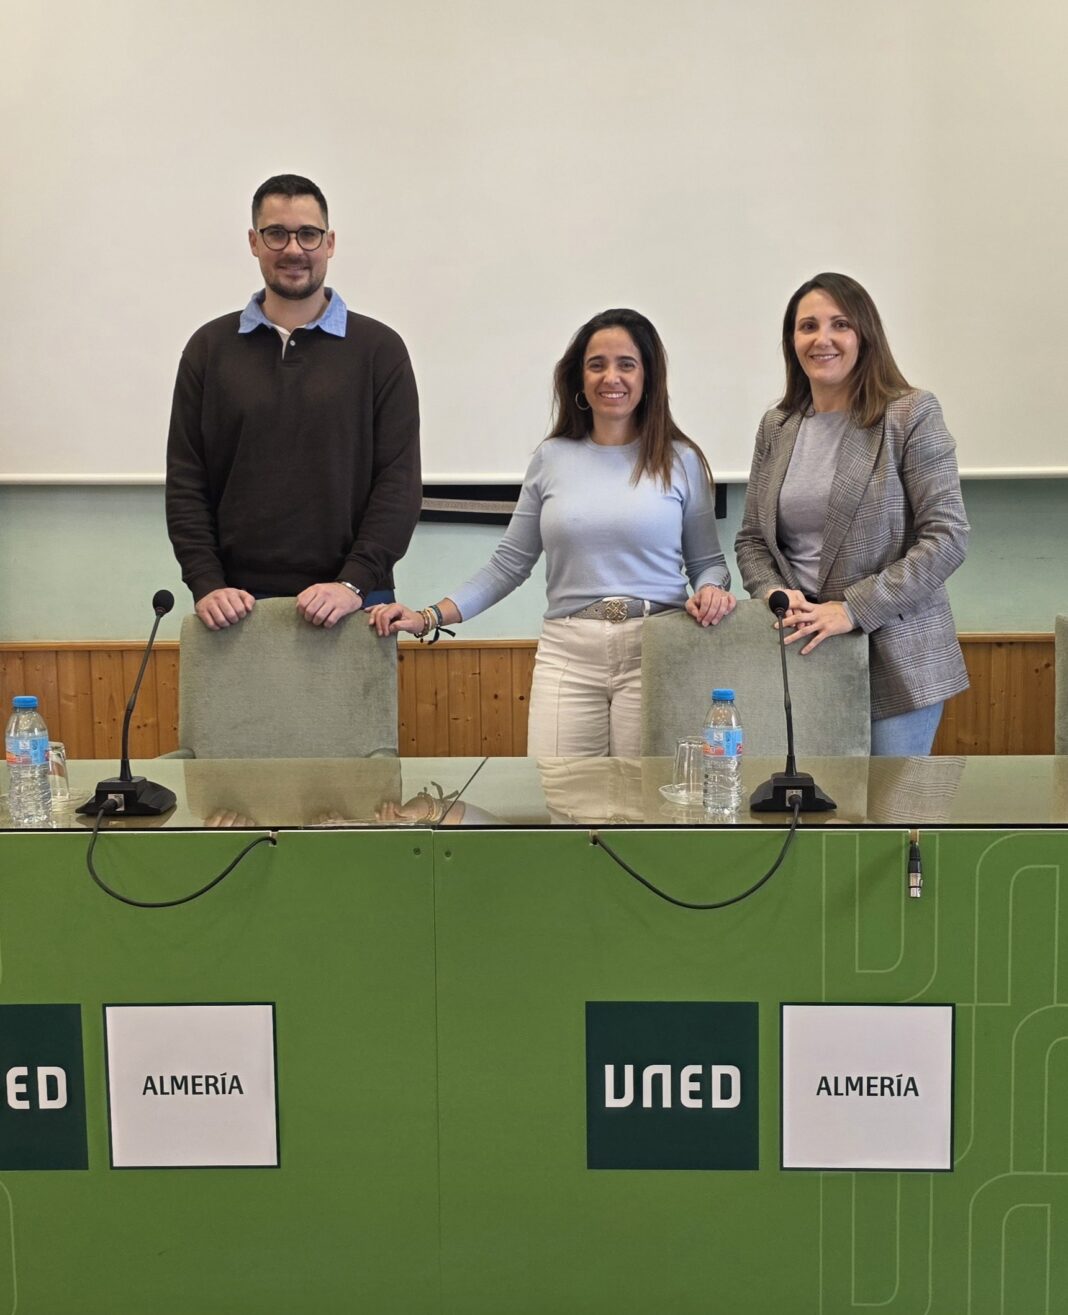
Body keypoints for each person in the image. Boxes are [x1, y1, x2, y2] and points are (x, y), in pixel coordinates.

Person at [368, 308, 735, 757]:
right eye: (596, 364)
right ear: (579, 378)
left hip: (657, 647)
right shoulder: (551, 458)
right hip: (569, 655)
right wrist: (429, 616)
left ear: (649, 377)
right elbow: (508, 565)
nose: (611, 377)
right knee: (561, 792)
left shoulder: (681, 460)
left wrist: (712, 590)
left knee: (643, 797)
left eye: (626, 364)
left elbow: (708, 564)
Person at [166, 174, 421, 630]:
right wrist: (206, 583)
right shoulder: (208, 349)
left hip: (356, 601)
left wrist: (353, 582)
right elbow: (187, 480)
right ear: (254, 242)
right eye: (276, 234)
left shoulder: (380, 350)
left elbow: (398, 482)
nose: (293, 249)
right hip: (236, 605)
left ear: (329, 242)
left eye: (308, 234)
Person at [734, 272, 969, 755]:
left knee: (891, 802)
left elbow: (947, 538)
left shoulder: (910, 414)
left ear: (865, 335)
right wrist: (773, 592)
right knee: (811, 802)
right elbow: (753, 540)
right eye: (808, 326)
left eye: (839, 324)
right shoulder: (777, 426)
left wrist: (852, 609)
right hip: (803, 653)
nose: (822, 339)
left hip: (897, 656)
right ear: (792, 341)